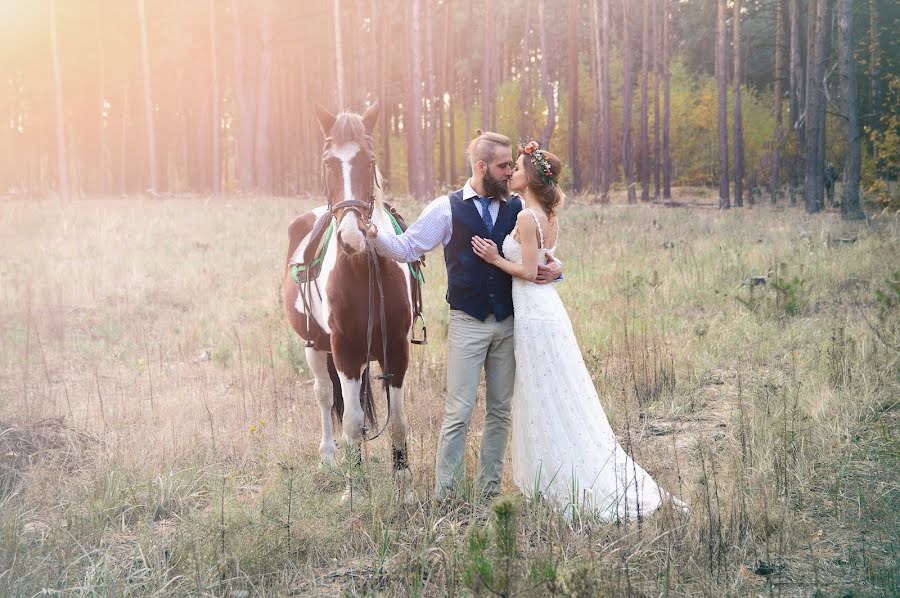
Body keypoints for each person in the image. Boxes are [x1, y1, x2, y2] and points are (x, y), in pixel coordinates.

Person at [471, 141, 684, 520]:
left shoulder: (525, 218)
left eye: (518, 169)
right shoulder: (545, 215)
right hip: (546, 308)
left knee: (542, 393)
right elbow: (547, 262)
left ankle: (562, 478)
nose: (512, 174)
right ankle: (552, 474)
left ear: (531, 178)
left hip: (536, 313)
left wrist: (495, 258)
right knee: (550, 392)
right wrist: (553, 267)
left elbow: (527, 270)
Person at [360, 132, 562, 500]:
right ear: (482, 167)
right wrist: (374, 236)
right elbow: (408, 247)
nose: (508, 173)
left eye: (510, 167)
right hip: (468, 324)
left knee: (500, 412)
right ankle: (446, 493)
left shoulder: (519, 207)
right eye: (503, 167)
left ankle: (487, 493)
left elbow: (541, 253)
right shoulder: (445, 208)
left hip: (510, 323)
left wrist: (556, 268)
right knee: (459, 412)